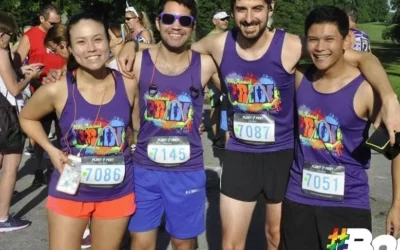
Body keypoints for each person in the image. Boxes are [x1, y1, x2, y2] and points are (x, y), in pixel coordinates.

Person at [118, 0, 400, 249]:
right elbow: (174, 45)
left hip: (282, 159)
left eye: (257, 8)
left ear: (270, 8)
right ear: (233, 11)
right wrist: (132, 44)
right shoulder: (219, 43)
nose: (249, 17)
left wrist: (388, 96)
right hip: (242, 156)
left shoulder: (293, 45)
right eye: (241, 9)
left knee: (276, 236)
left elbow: (357, 56)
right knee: (231, 242)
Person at [281, 6, 400, 249]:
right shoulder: (300, 77)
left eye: (329, 39)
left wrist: (397, 205)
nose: (320, 47)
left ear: (346, 41)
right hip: (299, 203)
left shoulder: (365, 91)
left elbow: (397, 150)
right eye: (313, 39)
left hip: (345, 209)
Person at [19, 12, 137, 250]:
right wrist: (51, 150)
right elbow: (27, 117)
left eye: (98, 40)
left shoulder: (129, 82)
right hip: (71, 187)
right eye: (81, 42)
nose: (91, 48)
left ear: (109, 42)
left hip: (117, 191)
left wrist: (133, 44)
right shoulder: (58, 89)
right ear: (70, 48)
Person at [127, 1, 220, 249]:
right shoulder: (136, 61)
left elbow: (240, 90)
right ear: (158, 23)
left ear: (192, 26)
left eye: (184, 20)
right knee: (141, 243)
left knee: (183, 242)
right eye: (169, 19)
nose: (176, 26)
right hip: (145, 169)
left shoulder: (206, 64)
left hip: (187, 171)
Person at [44, 23, 92, 249]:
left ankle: (87, 228)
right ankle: (83, 229)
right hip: (76, 141)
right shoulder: (64, 71)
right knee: (73, 183)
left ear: (64, 45)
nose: (56, 55)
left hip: (86, 137)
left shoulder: (81, 66)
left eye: (55, 50)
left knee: (83, 180)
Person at [0, 11, 42, 232]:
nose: (12, 40)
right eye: (10, 35)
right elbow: (14, 88)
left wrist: (18, 70)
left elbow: (3, 76)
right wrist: (29, 77)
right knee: (11, 166)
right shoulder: (1, 53)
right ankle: (3, 218)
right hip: (5, 114)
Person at [14, 4, 64, 187]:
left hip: (62, 91)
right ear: (42, 19)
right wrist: (33, 80)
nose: (56, 27)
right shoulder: (30, 36)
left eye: (58, 23)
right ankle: (38, 169)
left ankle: (58, 169)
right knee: (39, 134)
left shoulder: (61, 32)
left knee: (63, 133)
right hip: (40, 92)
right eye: (52, 23)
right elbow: (15, 65)